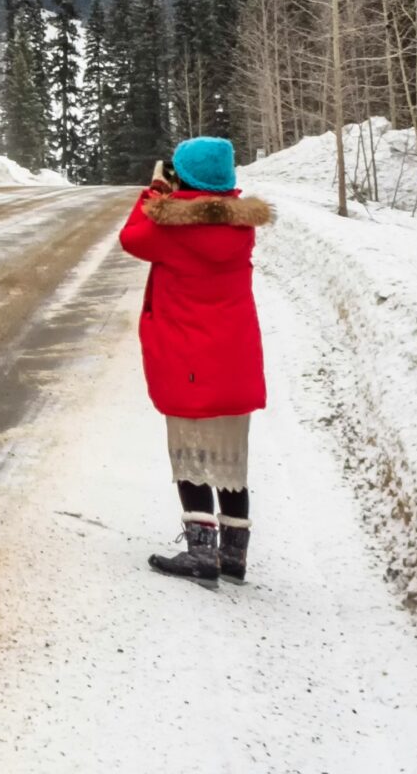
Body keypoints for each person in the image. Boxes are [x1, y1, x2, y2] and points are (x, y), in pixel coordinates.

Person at [117, 134, 272, 586]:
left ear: (183, 176)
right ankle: (234, 556)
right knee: (231, 458)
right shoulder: (242, 226)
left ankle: (201, 556)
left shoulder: (171, 229)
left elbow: (132, 238)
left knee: (190, 454)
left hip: (186, 361)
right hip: (234, 361)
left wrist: (153, 194)